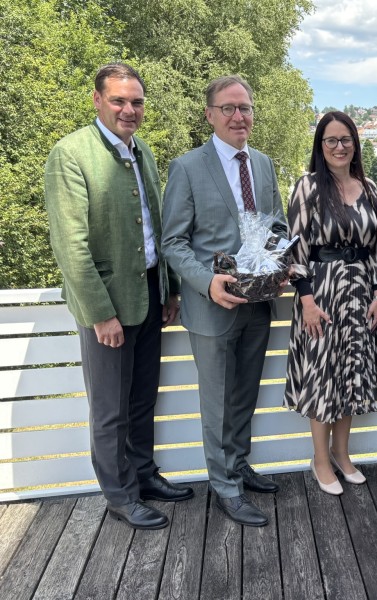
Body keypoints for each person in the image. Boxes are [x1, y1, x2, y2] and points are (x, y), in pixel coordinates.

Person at [44, 63, 193, 530]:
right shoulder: (71, 154)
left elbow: (157, 227)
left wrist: (168, 288)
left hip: (150, 292)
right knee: (109, 408)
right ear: (97, 100)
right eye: (119, 100)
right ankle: (120, 495)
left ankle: (144, 475)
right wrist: (99, 314)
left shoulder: (141, 150)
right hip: (108, 302)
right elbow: (70, 245)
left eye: (136, 102)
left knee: (142, 398)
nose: (129, 109)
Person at [162, 75, 287, 527]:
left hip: (259, 301)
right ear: (210, 114)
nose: (239, 116)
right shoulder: (188, 167)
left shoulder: (265, 164)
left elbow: (276, 226)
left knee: (244, 394)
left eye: (246, 108)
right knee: (216, 401)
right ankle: (224, 487)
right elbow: (173, 242)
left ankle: (237, 464)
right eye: (229, 108)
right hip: (211, 306)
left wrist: (282, 260)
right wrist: (205, 282)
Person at [284, 111, 377, 496]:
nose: (339, 147)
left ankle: (343, 456)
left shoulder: (369, 187)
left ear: (355, 144)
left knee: (350, 374)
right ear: (320, 145)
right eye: (331, 141)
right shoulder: (308, 186)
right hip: (321, 292)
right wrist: (306, 300)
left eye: (346, 140)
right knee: (322, 376)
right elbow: (295, 249)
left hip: (360, 292)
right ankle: (321, 460)